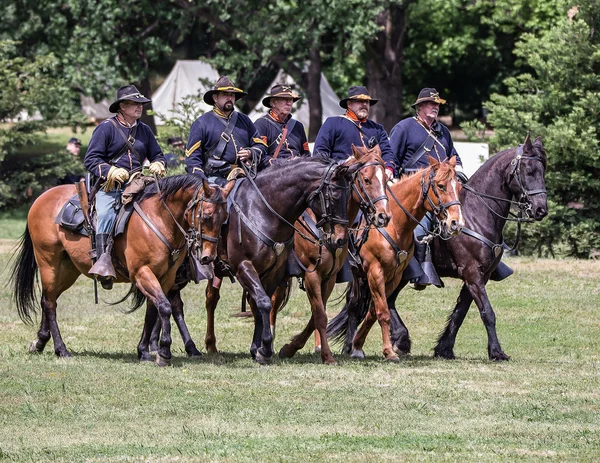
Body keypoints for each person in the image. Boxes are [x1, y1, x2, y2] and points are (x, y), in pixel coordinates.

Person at [84, 84, 166, 288]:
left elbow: (157, 154)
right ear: (122, 106)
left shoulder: (144, 130)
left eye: (141, 104)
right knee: (104, 215)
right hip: (110, 186)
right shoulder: (106, 128)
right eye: (134, 104)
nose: (139, 108)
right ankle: (104, 263)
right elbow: (91, 159)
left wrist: (157, 163)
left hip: (139, 183)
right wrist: (110, 171)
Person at [384, 87, 464, 289]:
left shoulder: (443, 131)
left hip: (443, 188)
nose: (435, 107)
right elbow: (391, 156)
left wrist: (459, 170)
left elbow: (453, 154)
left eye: (437, 105)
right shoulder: (404, 127)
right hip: (416, 191)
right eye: (431, 104)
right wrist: (390, 172)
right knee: (419, 231)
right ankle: (418, 272)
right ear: (420, 107)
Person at [185, 76, 267, 185]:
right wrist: (204, 184)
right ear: (215, 98)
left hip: (246, 175)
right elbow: (193, 159)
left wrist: (250, 152)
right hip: (214, 179)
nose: (229, 98)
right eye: (225, 94)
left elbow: (260, 146)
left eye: (232, 95)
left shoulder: (245, 120)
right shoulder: (201, 123)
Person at [313, 85, 393, 161]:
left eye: (367, 102)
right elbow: (320, 153)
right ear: (349, 104)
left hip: (372, 173)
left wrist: (389, 169)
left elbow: (387, 154)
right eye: (360, 101)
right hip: (341, 173)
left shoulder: (378, 129)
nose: (364, 104)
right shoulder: (333, 123)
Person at [254, 84, 310, 164]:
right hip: (273, 173)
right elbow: (259, 156)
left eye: (290, 100)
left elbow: (306, 154)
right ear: (273, 102)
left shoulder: (298, 126)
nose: (289, 103)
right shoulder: (261, 124)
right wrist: (285, 163)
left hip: (298, 171)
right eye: (284, 99)